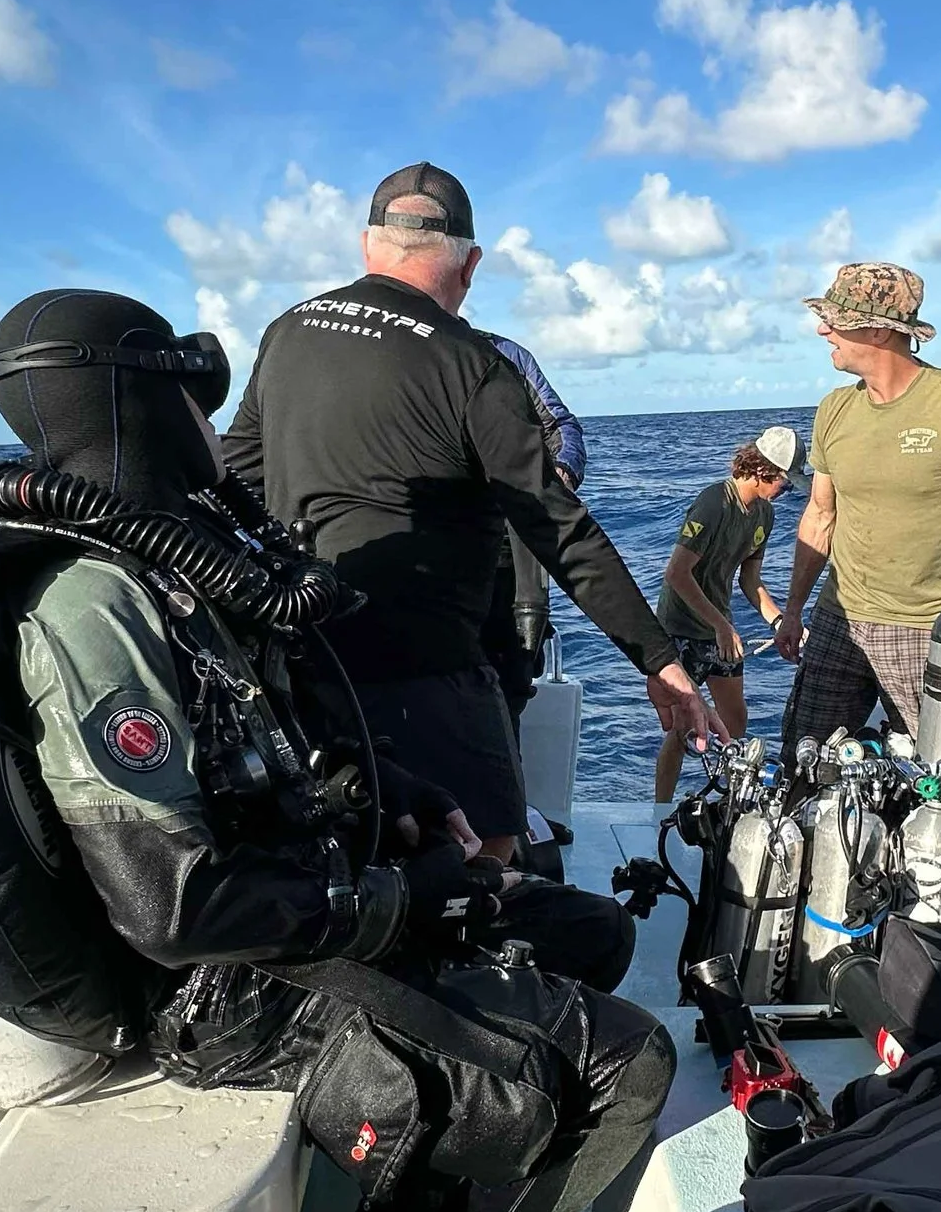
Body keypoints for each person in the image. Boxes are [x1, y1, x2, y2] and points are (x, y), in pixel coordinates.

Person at [0, 288, 674, 1212]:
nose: (220, 430)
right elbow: (172, 908)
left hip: (298, 900)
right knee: (633, 1060)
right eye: (201, 405)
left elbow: (264, 745)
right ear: (146, 408)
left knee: (594, 933)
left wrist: (408, 803)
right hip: (229, 985)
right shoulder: (94, 602)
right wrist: (398, 899)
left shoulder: (170, 566)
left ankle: (424, 1187)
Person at [223, 160, 724, 878]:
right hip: (430, 671)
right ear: (471, 265)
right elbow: (559, 530)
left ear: (369, 246)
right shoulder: (475, 365)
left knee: (343, 843)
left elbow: (232, 472)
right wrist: (658, 660)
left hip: (304, 660)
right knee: (492, 846)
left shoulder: (287, 331)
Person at [772, 262, 941, 761]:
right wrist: (795, 610)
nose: (822, 329)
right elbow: (820, 516)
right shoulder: (833, 409)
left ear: (877, 328)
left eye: (835, 319)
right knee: (801, 766)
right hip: (837, 622)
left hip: (921, 628)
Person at [652, 427, 801, 808]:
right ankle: (660, 807)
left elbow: (751, 582)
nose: (787, 492)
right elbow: (676, 573)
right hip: (683, 627)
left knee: (735, 718)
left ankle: (722, 802)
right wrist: (720, 624)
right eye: (785, 483)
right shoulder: (713, 503)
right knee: (683, 725)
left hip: (720, 630)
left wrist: (780, 621)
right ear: (762, 471)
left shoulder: (764, 515)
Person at [479, 331, 584, 739]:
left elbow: (561, 427)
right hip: (445, 563)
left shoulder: (509, 355)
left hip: (511, 565)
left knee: (513, 686)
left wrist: (560, 475)